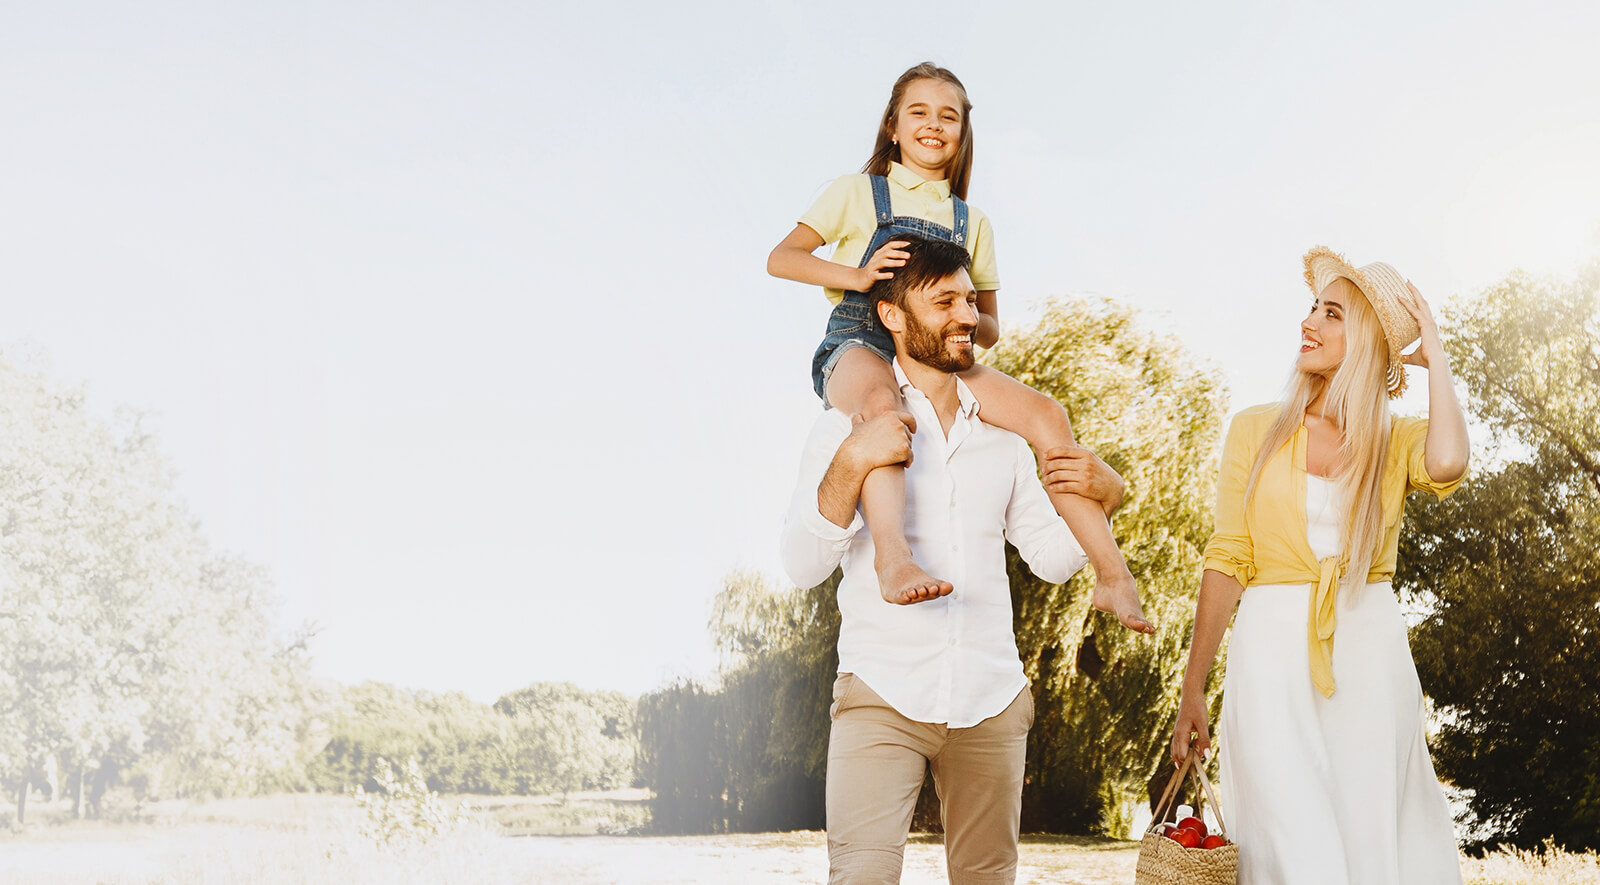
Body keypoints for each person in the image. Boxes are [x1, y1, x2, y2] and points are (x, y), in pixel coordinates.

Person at [780, 236, 1124, 885]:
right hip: (882, 693)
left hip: (991, 701)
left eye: (970, 298)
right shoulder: (843, 424)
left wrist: (1104, 500)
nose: (967, 315)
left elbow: (1050, 558)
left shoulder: (1006, 439)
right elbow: (801, 566)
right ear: (891, 316)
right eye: (944, 301)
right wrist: (853, 461)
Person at [768, 62, 1150, 634]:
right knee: (881, 412)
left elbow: (990, 323)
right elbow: (782, 258)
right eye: (919, 112)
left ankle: (1113, 573)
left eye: (949, 117)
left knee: (1047, 415)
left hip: (939, 350)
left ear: (963, 134)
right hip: (860, 338)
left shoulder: (971, 222)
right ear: (893, 126)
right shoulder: (856, 193)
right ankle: (893, 557)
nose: (934, 125)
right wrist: (859, 274)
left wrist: (961, 323)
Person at [1169, 247, 1470, 884]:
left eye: (1332, 313)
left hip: (1370, 648)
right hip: (1271, 653)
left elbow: (1449, 461)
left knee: (1372, 831)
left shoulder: (1394, 441)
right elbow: (1228, 558)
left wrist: (1434, 350)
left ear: (1364, 340)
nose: (1310, 322)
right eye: (1312, 308)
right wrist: (1193, 686)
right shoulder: (1256, 430)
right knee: (1287, 836)